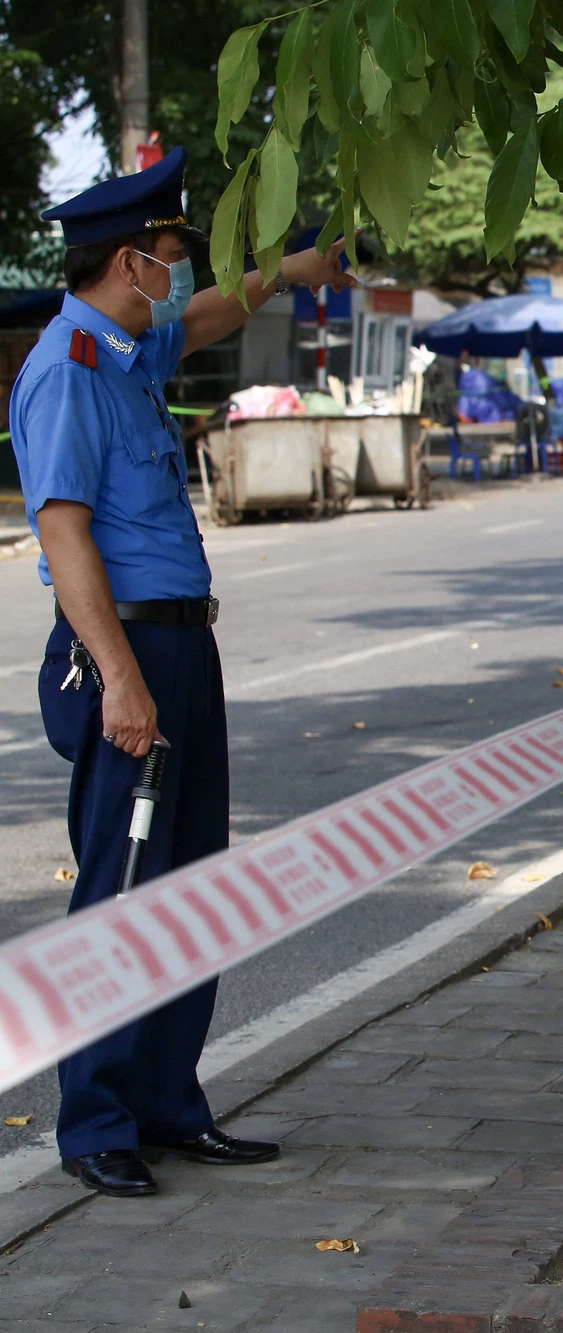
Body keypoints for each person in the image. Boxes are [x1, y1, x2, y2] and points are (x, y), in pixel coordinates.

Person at [10, 148, 355, 1197]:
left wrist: (293, 272)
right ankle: (96, 1122)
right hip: (126, 648)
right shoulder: (66, 369)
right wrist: (117, 676)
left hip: (179, 644)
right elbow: (66, 537)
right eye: (168, 254)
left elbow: (204, 316)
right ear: (126, 261)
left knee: (190, 879)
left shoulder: (124, 344)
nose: (177, 272)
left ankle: (167, 1102)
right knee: (121, 886)